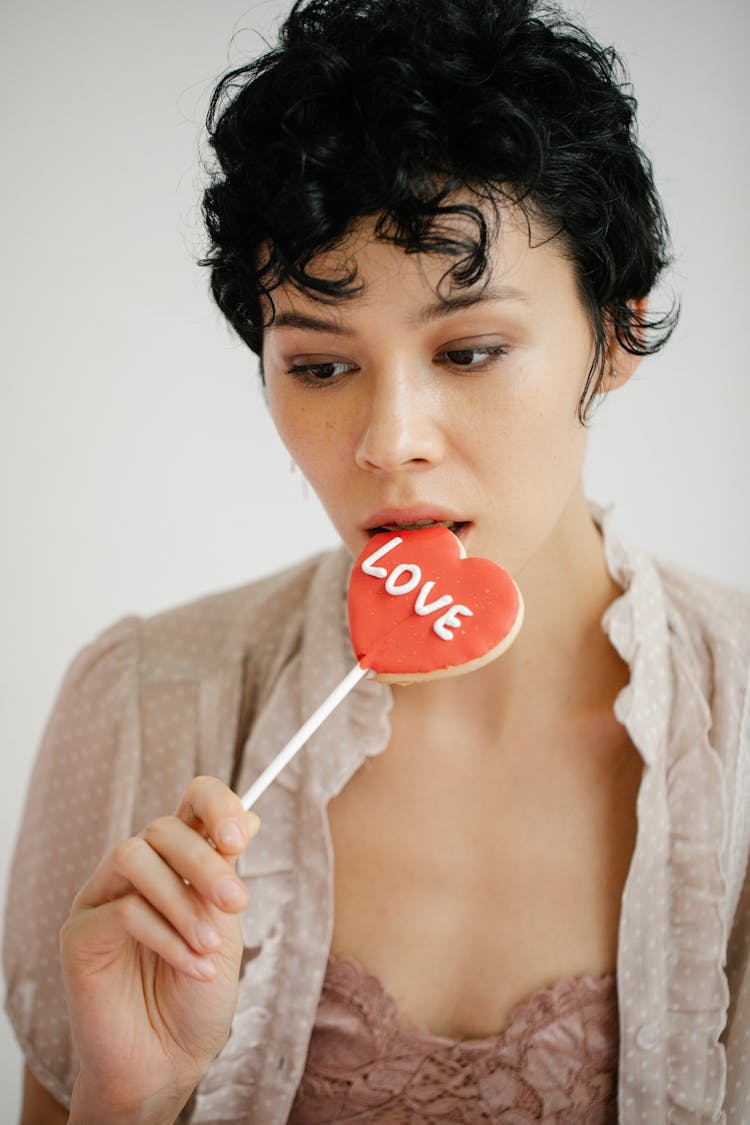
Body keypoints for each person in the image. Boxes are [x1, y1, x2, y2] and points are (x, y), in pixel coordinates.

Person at [5, 0, 750, 1120]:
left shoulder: (739, 731)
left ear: (617, 335)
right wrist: (131, 1090)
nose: (388, 438)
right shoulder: (146, 706)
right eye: (318, 366)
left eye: (471, 349)